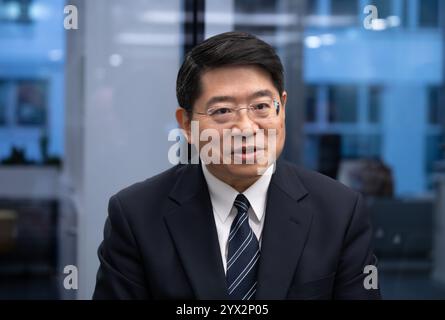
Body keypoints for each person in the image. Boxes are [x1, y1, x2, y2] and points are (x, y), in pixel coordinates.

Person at [93, 31, 380, 300]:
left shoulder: (340, 212)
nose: (245, 127)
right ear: (187, 125)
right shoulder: (136, 216)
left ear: (282, 108)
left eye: (261, 107)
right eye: (222, 111)